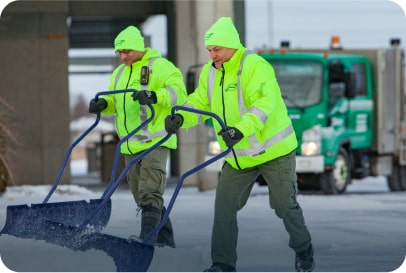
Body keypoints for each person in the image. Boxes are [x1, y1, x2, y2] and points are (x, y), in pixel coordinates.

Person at [165, 17, 315, 271]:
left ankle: (303, 249)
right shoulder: (210, 72)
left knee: (282, 205)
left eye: (217, 49)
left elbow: (264, 104)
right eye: (210, 50)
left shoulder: (255, 66)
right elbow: (200, 101)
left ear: (232, 45)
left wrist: (240, 130)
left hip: (273, 151)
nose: (212, 55)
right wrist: (181, 115)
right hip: (240, 155)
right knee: (224, 206)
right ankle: (222, 264)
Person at [89, 25, 187, 248]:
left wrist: (155, 96)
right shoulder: (120, 73)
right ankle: (165, 241)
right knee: (141, 195)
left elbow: (179, 93)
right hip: (130, 143)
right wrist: (103, 105)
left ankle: (147, 241)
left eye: (127, 52)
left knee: (150, 190)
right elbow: (116, 102)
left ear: (139, 48)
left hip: (155, 139)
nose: (122, 57)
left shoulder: (160, 67)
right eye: (119, 53)